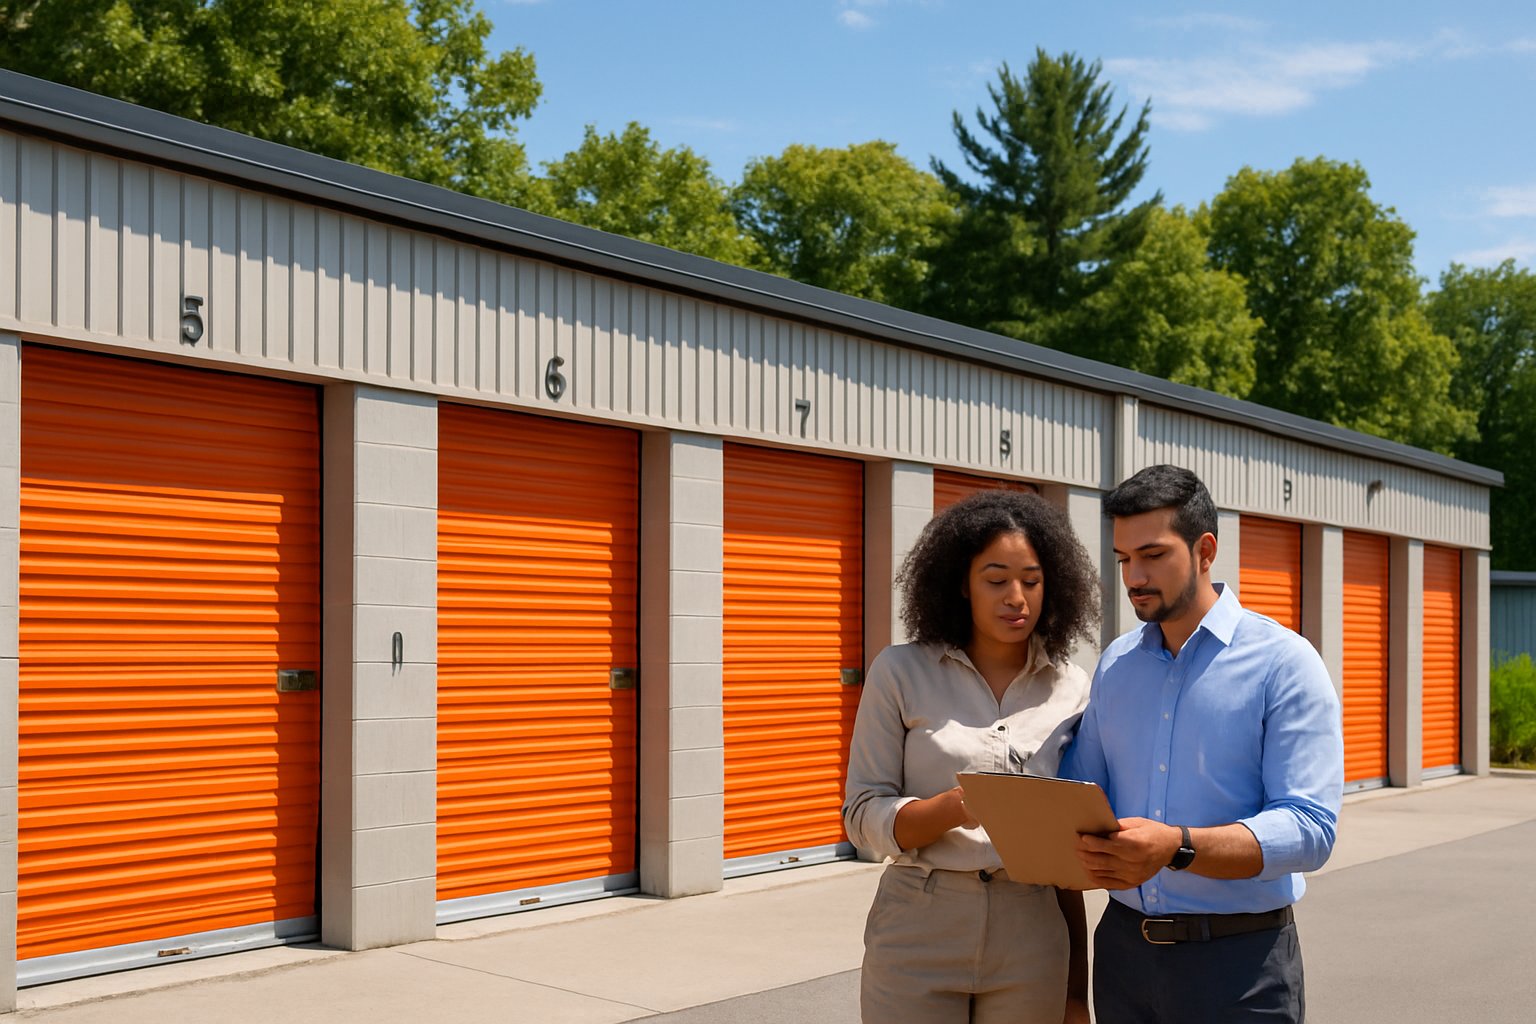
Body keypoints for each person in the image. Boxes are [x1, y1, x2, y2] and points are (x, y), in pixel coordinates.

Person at [1062, 464, 1343, 1023]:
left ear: (1204, 549)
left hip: (1239, 964)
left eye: (1153, 554)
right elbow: (1078, 792)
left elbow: (1310, 829)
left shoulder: (1284, 663)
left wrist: (1178, 846)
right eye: (1123, 560)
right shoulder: (1116, 665)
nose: (1134, 576)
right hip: (1123, 954)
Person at [844, 489, 1102, 1023]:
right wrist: (960, 807)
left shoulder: (1072, 687)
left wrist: (1077, 993)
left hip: (1032, 928)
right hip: (918, 921)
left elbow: (1070, 852)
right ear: (961, 584)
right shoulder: (899, 672)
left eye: (1031, 581)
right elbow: (862, 814)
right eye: (996, 579)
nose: (1017, 597)